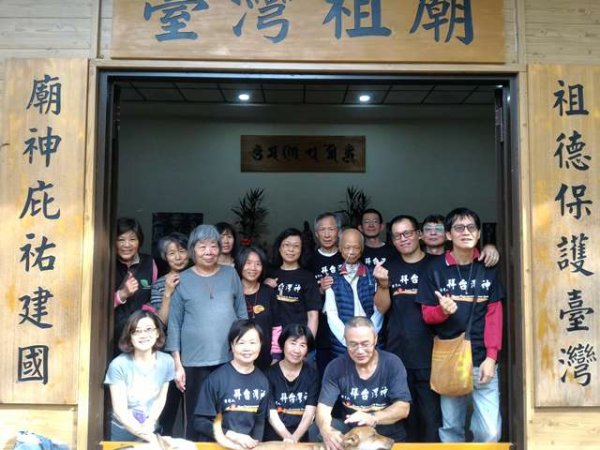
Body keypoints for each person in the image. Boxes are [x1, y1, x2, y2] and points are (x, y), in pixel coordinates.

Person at [416, 208, 504, 442]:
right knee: (452, 427)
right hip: (449, 357)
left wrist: (492, 357)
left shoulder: (488, 267)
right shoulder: (434, 270)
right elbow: (427, 315)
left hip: (483, 359)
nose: (465, 232)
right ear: (448, 235)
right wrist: (442, 311)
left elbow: (494, 315)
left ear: (478, 234)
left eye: (471, 228)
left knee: (490, 431)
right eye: (458, 228)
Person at [165, 224, 247, 440]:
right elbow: (174, 323)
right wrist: (177, 363)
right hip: (193, 362)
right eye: (202, 246)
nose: (209, 251)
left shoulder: (231, 274)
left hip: (228, 359)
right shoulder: (183, 279)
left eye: (213, 246)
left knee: (229, 413)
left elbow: (242, 314)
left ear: (220, 249)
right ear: (193, 250)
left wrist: (245, 351)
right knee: (196, 417)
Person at [373, 215, 441, 442]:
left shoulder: (435, 266)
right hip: (398, 353)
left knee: (431, 417)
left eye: (407, 233)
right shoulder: (388, 269)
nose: (403, 239)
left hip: (431, 353)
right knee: (403, 417)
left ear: (419, 234)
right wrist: (383, 285)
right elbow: (382, 308)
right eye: (397, 236)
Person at [316, 317, 411, 450]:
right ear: (345, 342)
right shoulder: (336, 367)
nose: (360, 351)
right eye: (353, 344)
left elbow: (403, 408)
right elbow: (323, 408)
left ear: (375, 340)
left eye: (365, 344)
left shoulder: (392, 363)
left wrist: (373, 418)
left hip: (385, 434)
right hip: (353, 434)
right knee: (317, 428)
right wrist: (326, 431)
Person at [194, 320, 269, 448]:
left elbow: (260, 421)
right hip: (217, 445)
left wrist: (256, 445)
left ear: (260, 345)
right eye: (241, 343)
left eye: (252, 343)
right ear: (232, 346)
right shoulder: (216, 379)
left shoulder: (262, 381)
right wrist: (232, 435)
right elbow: (199, 422)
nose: (247, 348)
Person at [104, 310, 175, 443]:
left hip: (150, 429)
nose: (143, 335)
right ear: (129, 336)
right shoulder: (119, 365)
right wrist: (149, 436)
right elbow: (120, 411)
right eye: (136, 331)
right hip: (121, 435)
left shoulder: (167, 362)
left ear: (157, 332)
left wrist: (150, 424)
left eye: (148, 329)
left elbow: (160, 401)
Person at [149, 232, 189, 436]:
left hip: (194, 349)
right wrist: (167, 292)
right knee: (168, 404)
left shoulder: (197, 278)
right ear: (165, 256)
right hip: (167, 351)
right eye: (172, 253)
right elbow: (160, 322)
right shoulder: (159, 284)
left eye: (182, 251)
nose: (178, 257)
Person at [324, 228, 383, 356]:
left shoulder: (373, 276)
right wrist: (347, 340)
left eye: (356, 247)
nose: (351, 252)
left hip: (371, 341)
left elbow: (379, 310)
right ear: (340, 248)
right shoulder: (332, 279)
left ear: (362, 249)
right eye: (347, 247)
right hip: (342, 344)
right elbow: (332, 315)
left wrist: (369, 336)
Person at [264, 324, 320, 443]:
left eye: (302, 345)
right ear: (283, 343)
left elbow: (309, 414)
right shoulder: (269, 374)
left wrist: (294, 439)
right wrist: (288, 438)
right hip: (274, 435)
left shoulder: (312, 375)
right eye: (293, 343)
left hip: (302, 435)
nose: (297, 350)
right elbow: (272, 414)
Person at [306, 212, 344, 376]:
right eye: (323, 230)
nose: (327, 234)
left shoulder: (348, 256)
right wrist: (319, 290)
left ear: (339, 232)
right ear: (316, 233)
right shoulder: (309, 262)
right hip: (322, 333)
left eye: (331, 229)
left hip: (347, 328)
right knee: (325, 376)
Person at [113, 217, 158, 353]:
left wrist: (148, 311)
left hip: (143, 337)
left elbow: (155, 298)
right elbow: (94, 307)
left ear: (139, 241)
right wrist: (122, 295)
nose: (127, 245)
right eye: (121, 239)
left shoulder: (149, 263)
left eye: (132, 239)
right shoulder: (105, 263)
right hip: (111, 336)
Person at [235, 245, 281, 370]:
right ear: (240, 265)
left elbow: (276, 326)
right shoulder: (232, 293)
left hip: (265, 358)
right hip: (236, 359)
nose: (253, 268)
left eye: (258, 264)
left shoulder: (269, 292)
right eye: (248, 263)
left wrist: (276, 355)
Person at [269, 228, 320, 339]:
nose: (291, 249)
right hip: (273, 341)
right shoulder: (270, 275)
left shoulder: (308, 277)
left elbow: (313, 315)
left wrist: (307, 343)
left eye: (296, 246)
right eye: (286, 245)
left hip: (298, 339)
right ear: (279, 248)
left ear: (301, 250)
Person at [420, 213, 500, 266]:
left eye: (439, 229)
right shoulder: (415, 258)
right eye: (428, 229)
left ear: (448, 234)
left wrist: (490, 247)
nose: (433, 233)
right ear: (421, 235)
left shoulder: (458, 256)